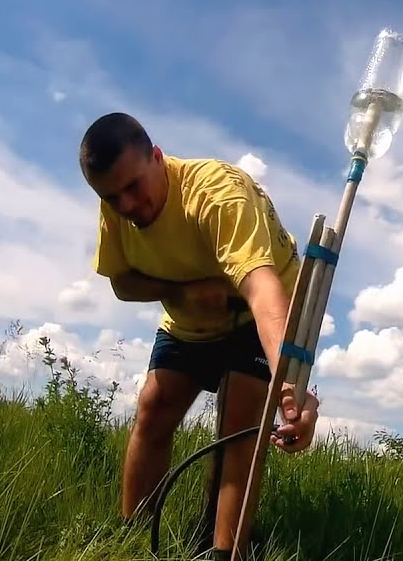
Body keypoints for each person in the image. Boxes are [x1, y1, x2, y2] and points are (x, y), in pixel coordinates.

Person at [78, 111, 319, 558]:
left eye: (133, 188)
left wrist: (290, 384)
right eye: (112, 198)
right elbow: (122, 283)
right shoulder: (116, 205)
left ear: (156, 157)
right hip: (189, 321)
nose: (127, 206)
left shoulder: (216, 193)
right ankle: (131, 539)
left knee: (239, 423)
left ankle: (224, 551)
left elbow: (261, 288)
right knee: (153, 408)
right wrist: (183, 290)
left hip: (256, 313)